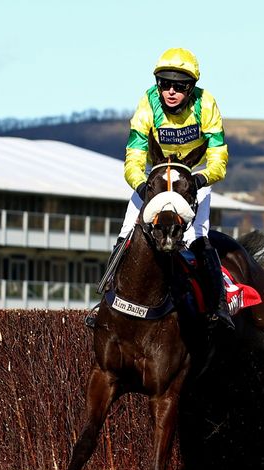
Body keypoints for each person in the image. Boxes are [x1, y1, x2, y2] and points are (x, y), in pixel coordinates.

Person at [87, 47, 233, 331]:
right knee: (126, 233)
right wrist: (140, 184)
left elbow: (219, 159)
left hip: (190, 181)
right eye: (165, 84)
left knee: (199, 239)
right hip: (154, 181)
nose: (170, 91)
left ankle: (218, 307)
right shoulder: (147, 103)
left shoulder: (207, 104)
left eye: (179, 86)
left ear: (191, 88)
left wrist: (200, 181)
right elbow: (133, 156)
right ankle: (103, 300)